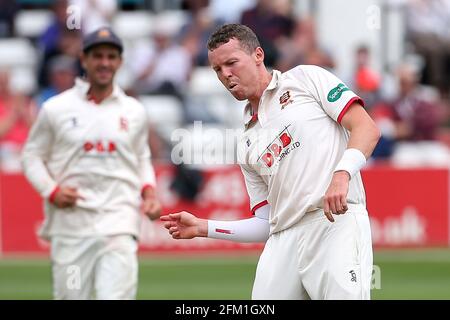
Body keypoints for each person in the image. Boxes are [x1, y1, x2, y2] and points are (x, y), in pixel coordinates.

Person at [161, 24, 381, 300]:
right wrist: (203, 227)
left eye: (231, 63)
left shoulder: (306, 79)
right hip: (283, 239)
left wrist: (342, 174)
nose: (226, 75)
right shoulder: (245, 141)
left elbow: (366, 128)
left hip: (334, 224)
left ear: (258, 55)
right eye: (217, 70)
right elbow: (266, 222)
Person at [21, 27, 161, 300]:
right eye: (97, 56)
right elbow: (31, 156)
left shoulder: (134, 111)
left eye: (111, 56)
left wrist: (150, 192)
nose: (105, 63)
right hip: (72, 226)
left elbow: (141, 157)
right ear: (83, 59)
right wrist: (52, 191)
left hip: (119, 222)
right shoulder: (56, 108)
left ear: (120, 62)